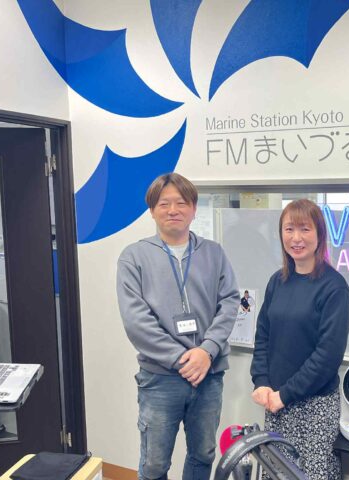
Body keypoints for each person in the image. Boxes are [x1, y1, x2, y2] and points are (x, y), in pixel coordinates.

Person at [117, 173, 239, 480]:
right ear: (152, 210)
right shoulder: (134, 257)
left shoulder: (213, 253)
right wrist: (181, 359)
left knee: (203, 454)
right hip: (160, 378)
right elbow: (136, 321)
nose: (173, 210)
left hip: (209, 375)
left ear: (194, 208)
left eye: (181, 203)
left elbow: (229, 302)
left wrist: (207, 351)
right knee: (155, 463)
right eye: (164, 204)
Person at [250, 199, 349, 479]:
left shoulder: (334, 288)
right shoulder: (277, 281)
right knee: (276, 473)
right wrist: (261, 381)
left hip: (314, 406)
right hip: (276, 402)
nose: (296, 238)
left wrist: (285, 395)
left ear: (319, 235)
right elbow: (263, 335)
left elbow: (327, 356)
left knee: (312, 474)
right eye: (289, 229)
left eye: (305, 229)